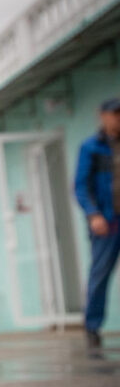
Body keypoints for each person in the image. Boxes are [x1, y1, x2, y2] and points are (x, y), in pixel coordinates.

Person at [74, 98, 120, 349]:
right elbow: (81, 186)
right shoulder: (91, 148)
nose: (118, 118)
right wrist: (93, 215)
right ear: (102, 115)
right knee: (100, 273)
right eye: (115, 113)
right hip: (108, 221)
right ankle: (92, 327)